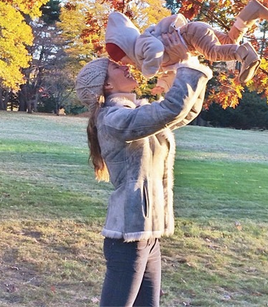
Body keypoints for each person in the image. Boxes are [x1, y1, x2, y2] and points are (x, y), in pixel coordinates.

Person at [75, 32, 212, 307]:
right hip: (127, 239)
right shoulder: (114, 119)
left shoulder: (134, 113)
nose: (126, 65)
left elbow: (185, 113)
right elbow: (172, 109)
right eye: (116, 66)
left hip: (148, 237)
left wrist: (188, 63)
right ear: (107, 86)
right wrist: (183, 63)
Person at [105, 0, 268, 93]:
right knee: (228, 43)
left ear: (125, 47)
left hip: (190, 35)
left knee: (213, 53)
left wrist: (147, 72)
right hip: (192, 33)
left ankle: (245, 53)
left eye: (122, 59)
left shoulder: (141, 45)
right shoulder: (144, 54)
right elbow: (170, 68)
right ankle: (249, 14)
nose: (125, 64)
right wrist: (163, 85)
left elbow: (156, 51)